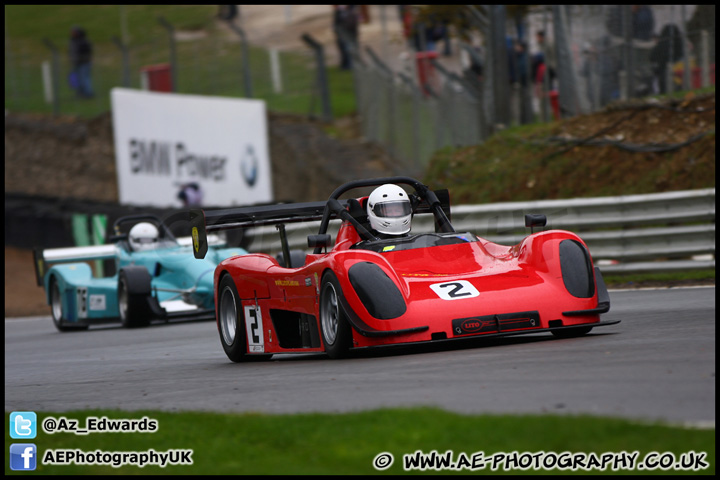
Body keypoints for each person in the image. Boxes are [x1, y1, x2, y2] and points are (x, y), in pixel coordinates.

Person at [68, 26, 94, 98]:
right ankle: (80, 92)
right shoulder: (73, 40)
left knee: (84, 78)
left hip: (84, 62)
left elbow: (87, 51)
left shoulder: (83, 41)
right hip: (76, 62)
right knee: (77, 78)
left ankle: (88, 93)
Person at [333, 5, 359, 70]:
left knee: (350, 50)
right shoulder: (339, 11)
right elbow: (336, 23)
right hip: (342, 34)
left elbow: (352, 23)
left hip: (350, 34)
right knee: (343, 50)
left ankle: (350, 65)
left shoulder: (352, 11)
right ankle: (345, 65)